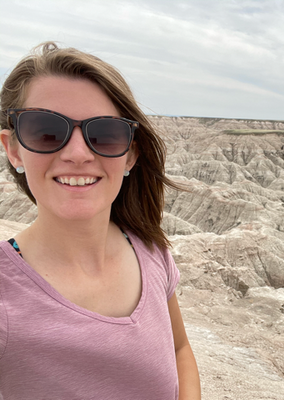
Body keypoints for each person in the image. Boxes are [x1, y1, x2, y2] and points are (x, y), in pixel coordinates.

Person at [0, 42, 201, 399]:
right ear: (13, 149)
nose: (78, 154)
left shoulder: (151, 254)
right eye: (45, 130)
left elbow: (180, 351)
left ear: (129, 155)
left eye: (104, 134)